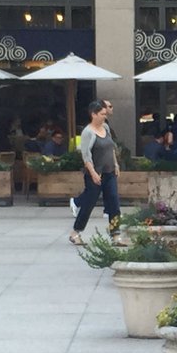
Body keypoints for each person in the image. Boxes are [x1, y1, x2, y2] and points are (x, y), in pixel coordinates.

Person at [68, 100, 121, 245]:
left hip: (109, 172)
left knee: (114, 202)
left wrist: (115, 164)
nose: (105, 116)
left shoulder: (106, 128)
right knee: (88, 204)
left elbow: (111, 147)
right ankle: (75, 232)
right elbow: (86, 155)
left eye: (105, 114)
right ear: (93, 114)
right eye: (102, 114)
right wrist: (93, 173)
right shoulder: (88, 132)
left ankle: (116, 234)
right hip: (95, 174)